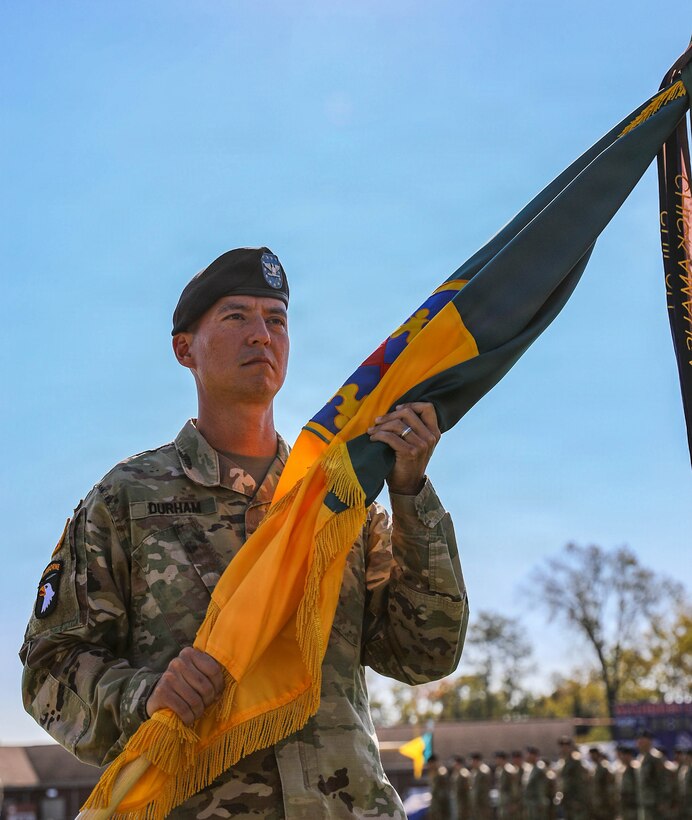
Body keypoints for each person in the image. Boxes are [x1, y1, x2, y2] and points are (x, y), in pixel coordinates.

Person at [19, 247, 468, 818]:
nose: (262, 335)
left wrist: (409, 496)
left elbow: (425, 655)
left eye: (276, 320)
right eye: (237, 317)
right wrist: (143, 696)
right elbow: (48, 670)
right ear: (185, 348)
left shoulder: (330, 497)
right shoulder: (127, 499)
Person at [554, 736, 590, 820]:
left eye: (566, 745)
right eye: (562, 745)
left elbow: (580, 781)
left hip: (575, 797)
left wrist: (578, 800)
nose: (564, 747)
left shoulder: (575, 761)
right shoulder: (562, 761)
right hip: (566, 797)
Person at [636, 730, 669, 820]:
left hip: (655, 803)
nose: (639, 742)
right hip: (644, 802)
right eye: (639, 740)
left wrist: (662, 801)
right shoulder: (640, 758)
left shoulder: (656, 757)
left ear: (649, 741)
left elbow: (663, 781)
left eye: (642, 740)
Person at [587, 746, 616, 820]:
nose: (592, 757)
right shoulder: (594, 768)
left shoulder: (604, 767)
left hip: (605, 805)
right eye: (591, 755)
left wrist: (610, 803)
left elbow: (611, 785)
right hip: (596, 804)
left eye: (594, 754)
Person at [522, 746, 550, 820]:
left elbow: (541, 787)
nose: (526, 756)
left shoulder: (539, 769)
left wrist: (541, 802)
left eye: (528, 754)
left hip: (537, 803)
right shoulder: (530, 768)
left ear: (533, 755)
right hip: (530, 803)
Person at [614, 745, 639, 820]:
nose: (623, 758)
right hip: (623, 805)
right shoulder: (620, 770)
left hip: (634, 804)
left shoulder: (636, 769)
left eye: (625, 755)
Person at [495, 750, 521, 819]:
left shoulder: (509, 770)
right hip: (503, 802)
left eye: (497, 759)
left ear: (501, 759)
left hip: (509, 802)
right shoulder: (500, 770)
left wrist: (514, 803)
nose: (496, 761)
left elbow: (514, 788)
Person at [427, 754, 452, 820]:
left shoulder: (441, 772)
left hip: (441, 804)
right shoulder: (433, 773)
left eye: (430, 764)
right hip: (436, 803)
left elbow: (443, 790)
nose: (429, 766)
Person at [469, 752, 493, 820]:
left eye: (472, 761)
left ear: (476, 760)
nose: (471, 763)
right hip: (476, 802)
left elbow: (485, 788)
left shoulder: (484, 771)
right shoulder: (474, 771)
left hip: (483, 803)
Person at [450, 755, 472, 820]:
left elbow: (468, 789)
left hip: (464, 802)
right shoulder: (456, 773)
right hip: (458, 801)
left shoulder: (464, 774)